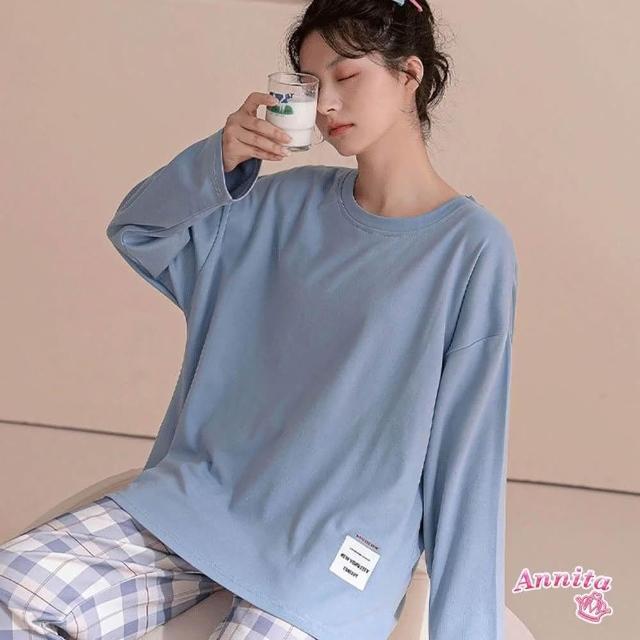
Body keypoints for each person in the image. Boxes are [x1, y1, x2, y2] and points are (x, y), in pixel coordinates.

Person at [0, 1, 518, 639]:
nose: (327, 105)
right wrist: (219, 159)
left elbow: (468, 456)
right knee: (13, 592)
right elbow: (139, 230)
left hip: (332, 550)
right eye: (312, 85)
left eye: (347, 76)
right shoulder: (277, 203)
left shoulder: (471, 248)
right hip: (202, 502)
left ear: (409, 74)